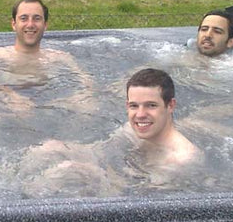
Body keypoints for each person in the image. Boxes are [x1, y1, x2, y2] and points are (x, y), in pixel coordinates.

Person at [19, 68, 198, 196]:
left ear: (170, 105)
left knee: (70, 171)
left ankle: (24, 206)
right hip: (120, 178)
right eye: (134, 106)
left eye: (151, 105)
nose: (140, 114)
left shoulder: (181, 159)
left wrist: (93, 175)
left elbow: (137, 202)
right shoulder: (133, 130)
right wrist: (63, 150)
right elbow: (99, 151)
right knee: (49, 149)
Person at [0, 0, 95, 116]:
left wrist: (76, 98)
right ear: (14, 24)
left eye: (37, 19)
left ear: (45, 25)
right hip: (6, 111)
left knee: (87, 108)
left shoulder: (59, 58)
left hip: (50, 109)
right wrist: (10, 96)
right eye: (24, 18)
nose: (30, 24)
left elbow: (86, 81)